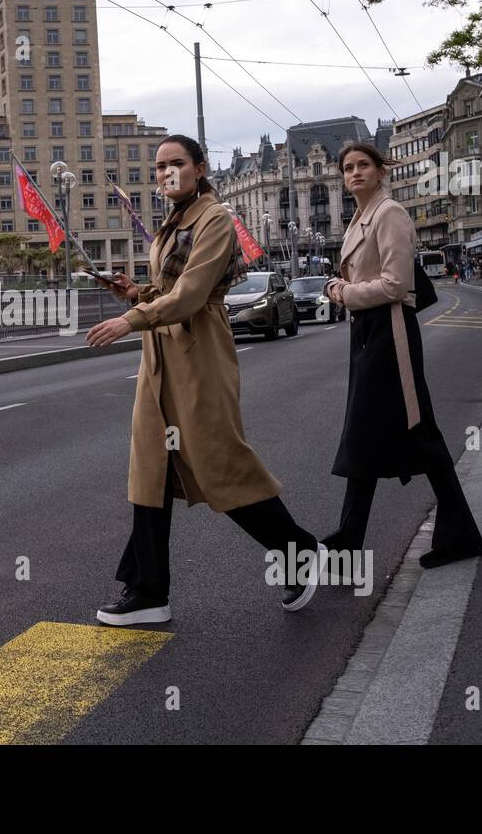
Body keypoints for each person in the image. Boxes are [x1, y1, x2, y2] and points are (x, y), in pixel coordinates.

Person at [86, 134, 326, 624]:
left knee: (219, 463)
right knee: (149, 469)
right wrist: (134, 292)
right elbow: (168, 290)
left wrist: (132, 319)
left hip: (198, 352)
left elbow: (193, 293)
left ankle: (300, 550)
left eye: (176, 163)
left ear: (199, 168)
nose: (166, 173)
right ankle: (148, 590)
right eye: (159, 167)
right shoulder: (174, 221)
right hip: (161, 356)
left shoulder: (215, 218)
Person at [322, 143, 482, 569]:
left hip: (389, 331)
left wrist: (340, 293)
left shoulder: (389, 213)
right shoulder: (360, 216)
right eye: (347, 168)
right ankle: (354, 539)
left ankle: (351, 541)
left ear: (380, 171)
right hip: (369, 334)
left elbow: (396, 285)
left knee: (401, 432)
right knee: (382, 435)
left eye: (363, 166)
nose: (354, 173)